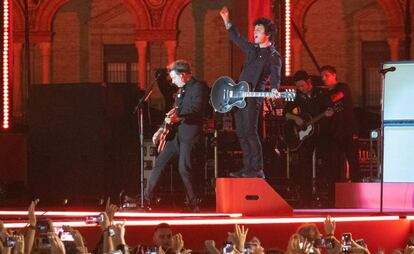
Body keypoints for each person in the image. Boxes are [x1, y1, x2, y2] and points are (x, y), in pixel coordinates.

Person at [220, 7, 282, 178]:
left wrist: (275, 89)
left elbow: (276, 76)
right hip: (239, 97)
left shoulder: (273, 56)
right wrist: (226, 20)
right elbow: (236, 38)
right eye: (255, 29)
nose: (255, 32)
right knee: (241, 132)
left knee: (250, 132)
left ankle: (257, 168)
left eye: (259, 29)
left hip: (253, 98)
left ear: (267, 34)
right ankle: (248, 168)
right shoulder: (253, 49)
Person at [146, 60, 209, 212]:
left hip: (190, 133)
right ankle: (145, 198)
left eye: (174, 78)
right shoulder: (181, 91)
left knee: (184, 168)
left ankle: (194, 202)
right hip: (176, 135)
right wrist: (161, 129)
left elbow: (198, 109)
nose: (173, 81)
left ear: (183, 75)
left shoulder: (199, 87)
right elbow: (174, 111)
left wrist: (180, 118)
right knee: (160, 162)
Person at [285, 70, 330, 208]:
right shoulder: (296, 96)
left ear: (309, 82)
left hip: (322, 133)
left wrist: (328, 113)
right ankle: (306, 199)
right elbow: (286, 113)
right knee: (304, 167)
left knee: (325, 164)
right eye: (298, 86)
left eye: (302, 85)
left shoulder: (321, 94)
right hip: (305, 137)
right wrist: (296, 118)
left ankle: (326, 196)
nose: (300, 88)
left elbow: (329, 108)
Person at [319, 65, 360, 205]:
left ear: (334, 75)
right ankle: (334, 197)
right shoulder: (324, 95)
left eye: (327, 75)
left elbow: (336, 98)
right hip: (333, 134)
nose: (324, 78)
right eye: (322, 76)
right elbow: (322, 107)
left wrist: (327, 104)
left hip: (347, 131)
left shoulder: (343, 87)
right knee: (333, 166)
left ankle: (357, 193)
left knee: (353, 163)